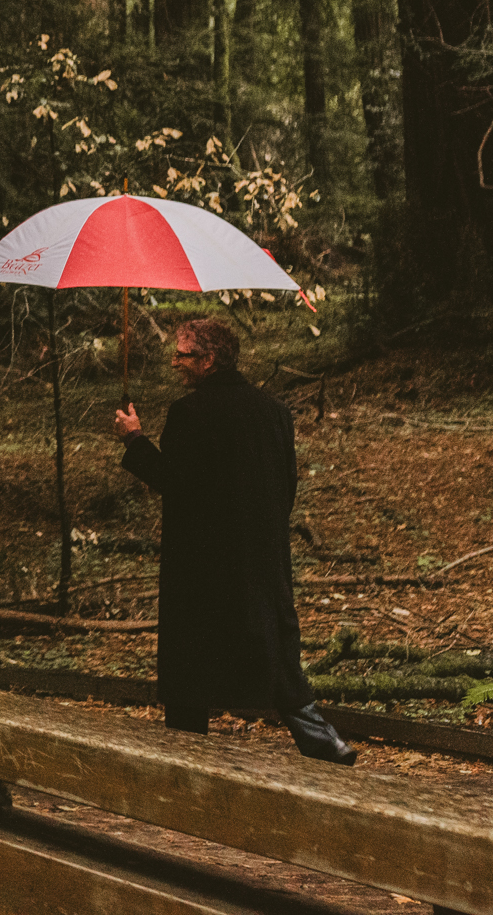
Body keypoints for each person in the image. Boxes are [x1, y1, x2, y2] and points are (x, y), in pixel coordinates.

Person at [114, 316, 358, 765]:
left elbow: (174, 479)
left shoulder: (189, 414)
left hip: (201, 563)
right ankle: (322, 740)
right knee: (273, 648)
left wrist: (134, 440)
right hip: (260, 556)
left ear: (208, 360)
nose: (174, 361)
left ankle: (186, 757)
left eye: (183, 353)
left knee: (192, 659)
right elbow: (288, 485)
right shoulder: (275, 413)